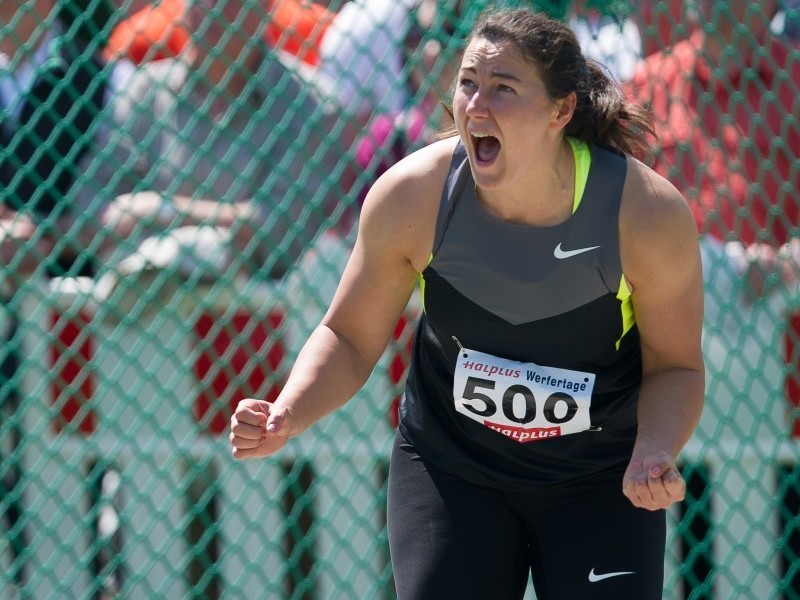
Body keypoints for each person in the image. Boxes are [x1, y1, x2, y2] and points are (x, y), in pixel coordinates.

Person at [230, 6, 705, 599]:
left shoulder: (642, 213)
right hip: (452, 469)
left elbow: (677, 367)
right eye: (468, 84)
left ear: (561, 110)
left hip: (601, 481)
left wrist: (653, 452)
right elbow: (349, 336)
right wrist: (288, 412)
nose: (475, 105)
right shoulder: (414, 197)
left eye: (503, 88)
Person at [73, 0, 341, 282]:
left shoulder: (312, 104)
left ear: (267, 5)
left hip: (258, 315)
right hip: (136, 312)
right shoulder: (143, 90)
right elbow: (91, 208)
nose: (209, 6)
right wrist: (230, 222)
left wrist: (159, 211)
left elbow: (279, 230)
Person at [625, 0, 799, 303]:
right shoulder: (647, 84)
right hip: (668, 317)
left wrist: (786, 264)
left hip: (774, 324)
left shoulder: (793, 83)